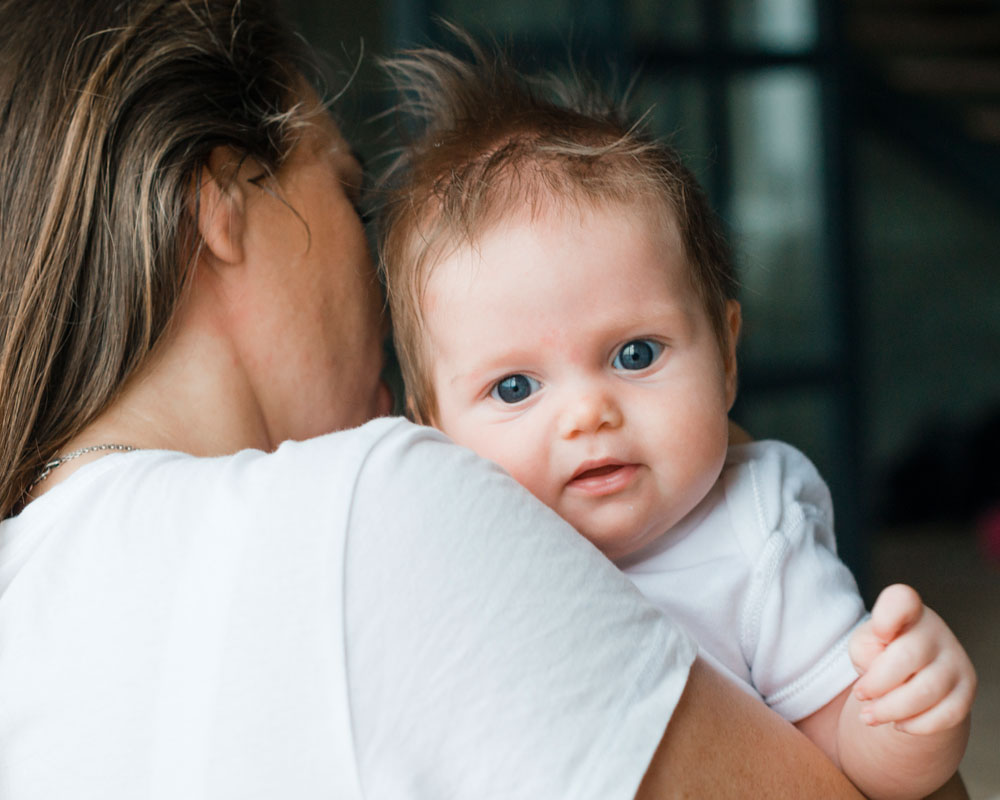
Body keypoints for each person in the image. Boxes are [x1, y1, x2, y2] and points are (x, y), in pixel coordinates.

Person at [0, 0, 875, 797]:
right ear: (220, 199)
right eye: (352, 195)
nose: (383, 289)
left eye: (634, 353)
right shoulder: (374, 505)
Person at [377, 38, 977, 800]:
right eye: (516, 387)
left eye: (633, 354)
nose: (588, 413)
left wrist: (910, 720)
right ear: (432, 432)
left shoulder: (753, 535)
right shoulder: (442, 556)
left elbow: (854, 762)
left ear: (726, 356)